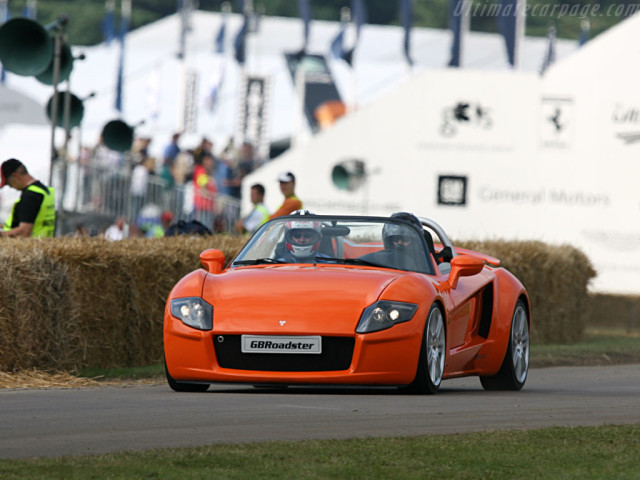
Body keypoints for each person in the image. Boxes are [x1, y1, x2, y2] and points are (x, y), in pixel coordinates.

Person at [0, 158, 56, 238]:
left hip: (32, 246)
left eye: (8, 183)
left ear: (15, 176)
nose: (10, 187)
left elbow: (24, 231)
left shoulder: (31, 196)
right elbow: (36, 221)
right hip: (42, 243)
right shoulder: (44, 191)